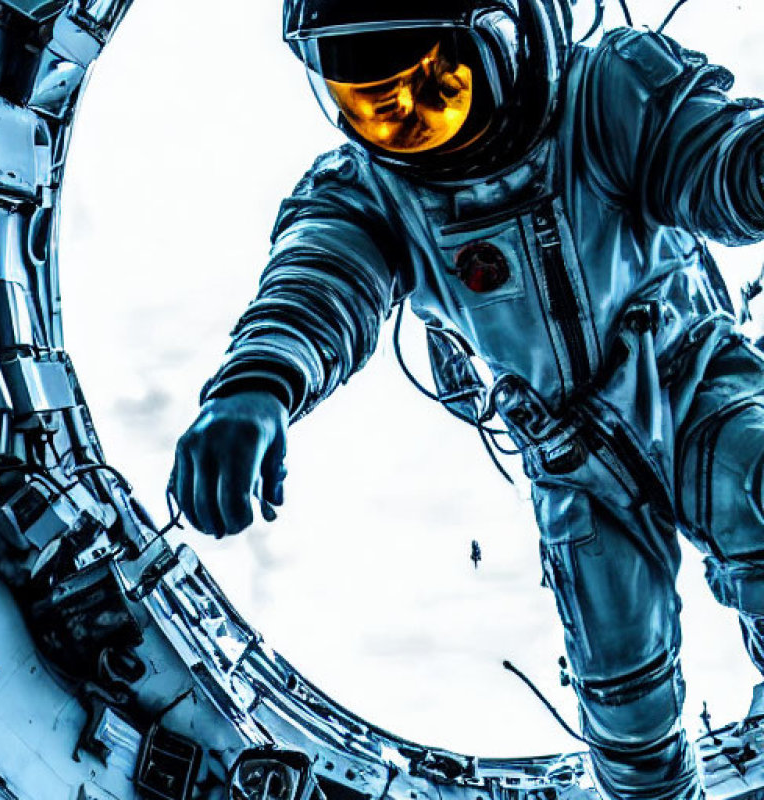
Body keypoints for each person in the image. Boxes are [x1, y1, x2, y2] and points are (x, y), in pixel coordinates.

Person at [170, 1, 764, 797]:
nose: (408, 123)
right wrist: (259, 382)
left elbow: (712, 160)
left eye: (433, 89)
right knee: (623, 703)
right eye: (376, 109)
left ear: (507, 40)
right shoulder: (375, 194)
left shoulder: (611, 92)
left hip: (688, 381)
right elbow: (322, 275)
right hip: (572, 462)